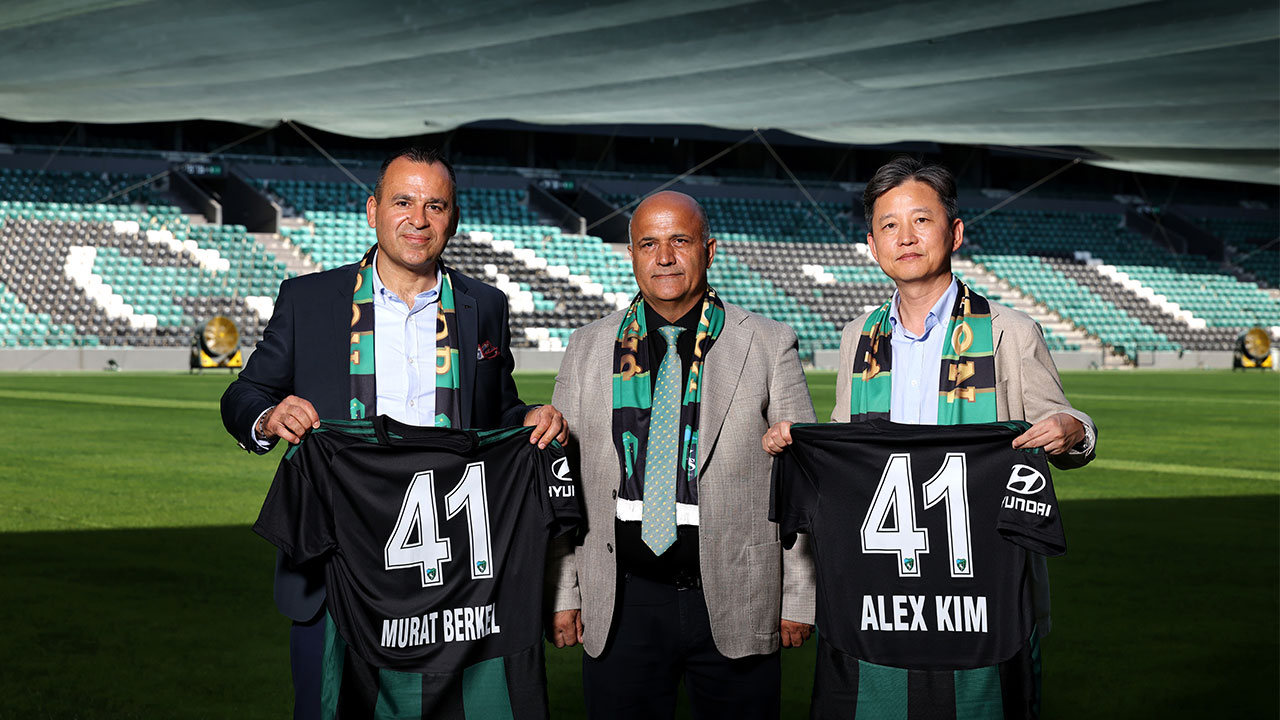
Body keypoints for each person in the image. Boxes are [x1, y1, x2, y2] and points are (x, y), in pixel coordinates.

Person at [220, 146, 565, 720]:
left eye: (435, 206)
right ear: (373, 210)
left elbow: (499, 411)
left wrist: (527, 418)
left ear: (453, 218)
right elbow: (245, 392)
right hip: (337, 566)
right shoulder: (310, 299)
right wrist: (268, 415)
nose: (418, 219)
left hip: (452, 577)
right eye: (403, 202)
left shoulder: (485, 305)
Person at [764, 155, 1096, 635]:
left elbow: (1063, 429)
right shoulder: (858, 336)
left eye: (921, 220)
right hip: (882, 585)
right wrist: (800, 443)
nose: (905, 237)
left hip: (984, 586)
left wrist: (1074, 431)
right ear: (872, 245)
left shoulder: (1010, 332)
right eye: (889, 226)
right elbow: (847, 449)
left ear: (955, 233)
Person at [546, 191, 816, 720]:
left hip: (737, 595)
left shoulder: (768, 342)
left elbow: (803, 481)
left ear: (708, 251)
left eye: (680, 241)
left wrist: (798, 596)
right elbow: (562, 481)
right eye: (648, 244)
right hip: (621, 600)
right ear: (631, 255)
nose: (664, 257)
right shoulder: (587, 346)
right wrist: (563, 592)